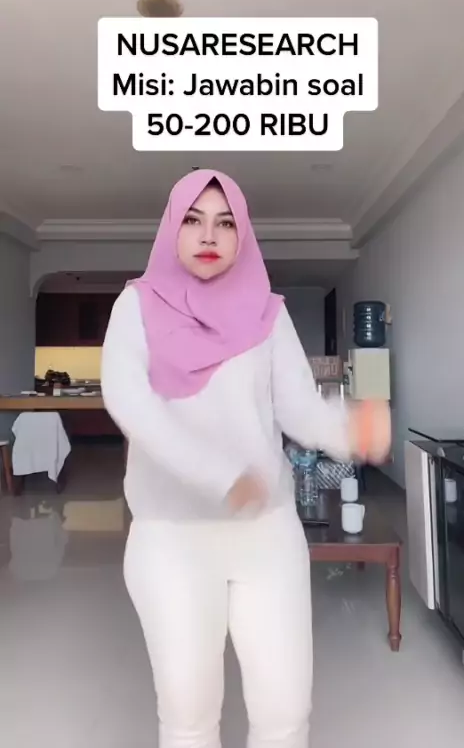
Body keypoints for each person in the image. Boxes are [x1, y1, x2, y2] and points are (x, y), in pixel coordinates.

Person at [101, 169, 391, 748]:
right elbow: (131, 404)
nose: (209, 234)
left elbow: (300, 409)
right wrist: (222, 476)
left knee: (285, 714)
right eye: (194, 219)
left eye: (226, 222)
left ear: (243, 235)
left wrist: (351, 429)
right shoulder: (135, 307)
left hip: (266, 535)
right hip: (172, 539)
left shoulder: (268, 314)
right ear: (172, 228)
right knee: (188, 717)